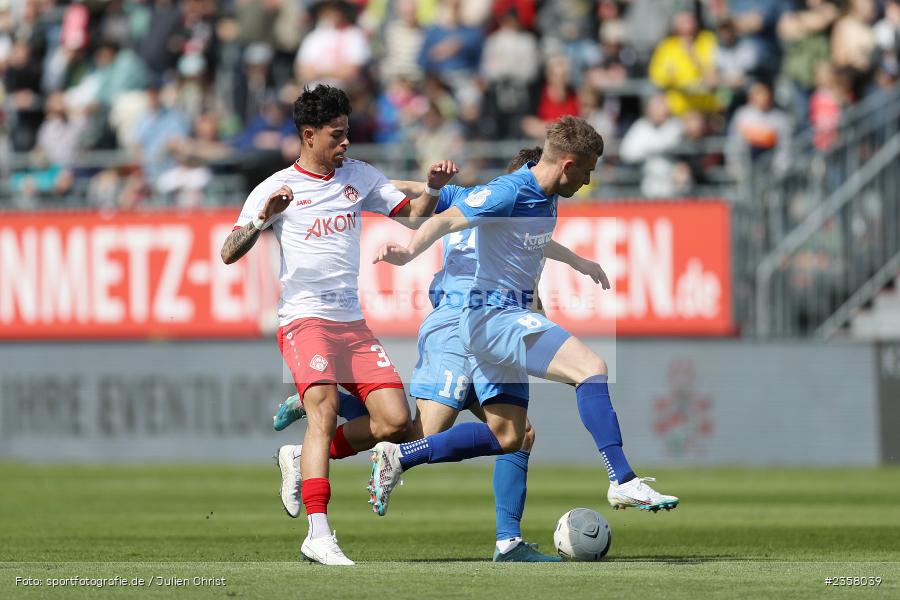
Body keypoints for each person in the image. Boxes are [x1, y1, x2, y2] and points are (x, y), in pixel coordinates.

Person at [274, 146, 611, 562]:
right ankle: (322, 414)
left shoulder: (512, 221)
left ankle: (508, 541)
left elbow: (534, 257)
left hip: (486, 330)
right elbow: (409, 190)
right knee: (418, 436)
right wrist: (347, 183)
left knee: (518, 435)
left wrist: (574, 264)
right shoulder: (489, 201)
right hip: (454, 325)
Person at [368, 116, 679, 518]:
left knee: (510, 436)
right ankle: (623, 479)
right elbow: (445, 219)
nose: (587, 181)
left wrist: (578, 261)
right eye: (586, 171)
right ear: (568, 165)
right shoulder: (509, 190)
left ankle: (401, 458)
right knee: (591, 367)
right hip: (491, 316)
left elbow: (534, 240)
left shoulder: (546, 198)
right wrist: (408, 252)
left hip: (503, 315)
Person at [220, 84, 457, 566]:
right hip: (304, 318)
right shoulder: (274, 189)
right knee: (323, 407)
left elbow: (412, 219)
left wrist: (430, 188)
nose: (345, 143)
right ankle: (318, 532)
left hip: (351, 321)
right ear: (309, 136)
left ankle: (300, 457)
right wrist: (263, 220)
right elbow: (228, 252)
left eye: (347, 133)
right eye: (337, 135)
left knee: (397, 423)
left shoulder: (360, 177)